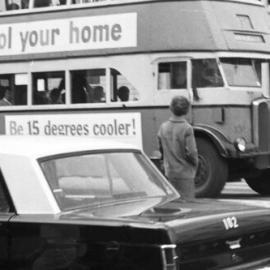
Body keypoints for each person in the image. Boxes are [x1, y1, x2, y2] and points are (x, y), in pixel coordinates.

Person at [158, 96, 198, 200]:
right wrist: (195, 164)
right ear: (187, 110)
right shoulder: (187, 128)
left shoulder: (163, 127)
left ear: (171, 108)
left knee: (174, 205)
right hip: (185, 173)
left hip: (169, 173)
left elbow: (161, 149)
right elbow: (192, 152)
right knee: (187, 206)